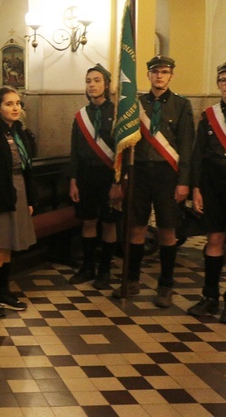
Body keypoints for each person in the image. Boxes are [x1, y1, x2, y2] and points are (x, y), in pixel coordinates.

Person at [111, 55, 194, 307]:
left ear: (171, 75)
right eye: (155, 71)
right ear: (148, 75)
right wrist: (122, 177)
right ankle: (132, 280)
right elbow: (126, 143)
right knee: (136, 227)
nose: (159, 76)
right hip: (140, 174)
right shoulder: (136, 104)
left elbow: (186, 146)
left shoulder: (182, 105)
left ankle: (166, 285)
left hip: (167, 175)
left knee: (167, 230)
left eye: (165, 72)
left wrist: (184, 181)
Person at [0, 86, 36, 315]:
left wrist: (31, 199)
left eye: (17, 103)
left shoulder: (19, 132)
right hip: (1, 194)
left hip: (19, 191)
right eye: (9, 104)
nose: (15, 108)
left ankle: (4, 290)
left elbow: (27, 167)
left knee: (10, 246)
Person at [187, 58, 226, 323]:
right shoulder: (208, 116)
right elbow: (197, 155)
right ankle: (210, 296)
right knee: (213, 240)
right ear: (218, 83)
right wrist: (196, 188)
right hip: (212, 185)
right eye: (224, 80)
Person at [67, 64, 119, 290]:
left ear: (106, 84)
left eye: (97, 80)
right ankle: (87, 267)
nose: (92, 85)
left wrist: (119, 183)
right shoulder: (81, 116)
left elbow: (122, 152)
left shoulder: (118, 114)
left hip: (109, 175)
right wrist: (73, 180)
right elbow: (75, 151)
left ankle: (105, 270)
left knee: (108, 223)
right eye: (88, 81)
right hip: (86, 175)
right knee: (88, 221)